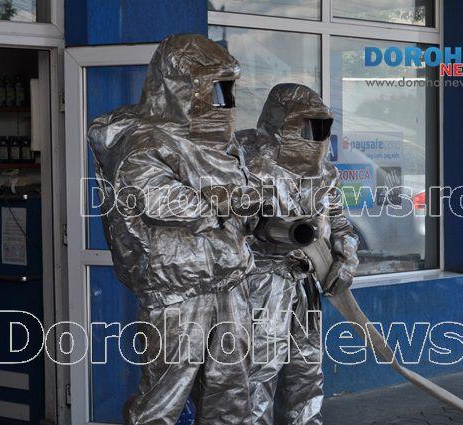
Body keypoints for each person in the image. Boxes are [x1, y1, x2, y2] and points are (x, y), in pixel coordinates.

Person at [88, 34, 256, 425]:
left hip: (229, 280)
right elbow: (155, 198)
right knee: (164, 396)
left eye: (226, 89)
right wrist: (222, 204)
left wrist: (247, 203)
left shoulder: (222, 144)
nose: (223, 101)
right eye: (213, 89)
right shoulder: (143, 140)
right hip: (176, 290)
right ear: (181, 88)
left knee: (231, 390)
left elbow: (245, 197)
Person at [238, 83, 359, 425]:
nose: (315, 136)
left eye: (321, 127)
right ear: (282, 124)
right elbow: (226, 227)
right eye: (306, 126)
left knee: (306, 373)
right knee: (256, 375)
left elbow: (340, 224)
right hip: (259, 287)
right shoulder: (245, 165)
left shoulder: (324, 174)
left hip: (304, 285)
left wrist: (345, 258)